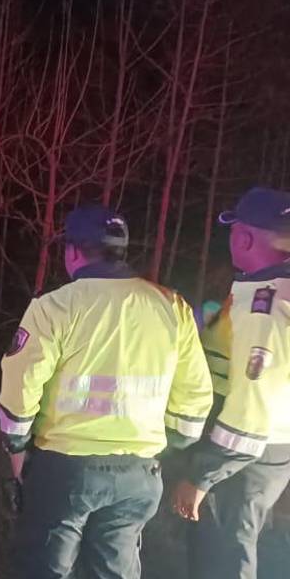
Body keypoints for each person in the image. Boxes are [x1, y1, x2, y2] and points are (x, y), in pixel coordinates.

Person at [0, 204, 213, 579]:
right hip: (139, 473)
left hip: (65, 470)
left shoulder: (55, 307)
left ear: (73, 251)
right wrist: (170, 445)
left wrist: (17, 451)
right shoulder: (171, 306)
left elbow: (20, 388)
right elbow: (194, 399)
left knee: (47, 570)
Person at [174, 187, 290, 579]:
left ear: (244, 236)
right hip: (274, 447)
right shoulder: (271, 291)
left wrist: (203, 475)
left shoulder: (265, 304)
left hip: (244, 455)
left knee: (224, 559)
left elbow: (251, 404)